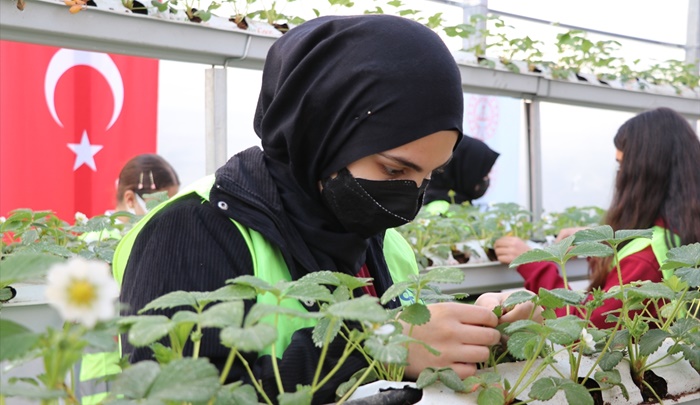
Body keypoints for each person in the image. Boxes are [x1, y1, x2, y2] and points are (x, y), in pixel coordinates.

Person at [113, 15, 539, 404]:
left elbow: (415, 346)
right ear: (322, 131)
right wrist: (374, 344)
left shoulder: (381, 241)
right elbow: (171, 396)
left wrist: (478, 327)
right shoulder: (192, 230)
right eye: (394, 169)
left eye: (429, 176)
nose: (410, 200)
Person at [494, 107, 700, 329]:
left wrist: (534, 263)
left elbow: (585, 328)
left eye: (622, 166)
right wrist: (598, 241)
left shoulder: (645, 258)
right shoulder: (681, 229)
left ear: (643, 175)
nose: (618, 175)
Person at [78, 153, 180, 405]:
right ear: (130, 199)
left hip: (131, 373)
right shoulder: (98, 243)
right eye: (160, 204)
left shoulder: (129, 238)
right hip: (102, 377)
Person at [423, 134, 500, 207]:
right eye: (484, 174)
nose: (486, 179)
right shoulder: (441, 212)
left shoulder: (460, 205)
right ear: (466, 173)